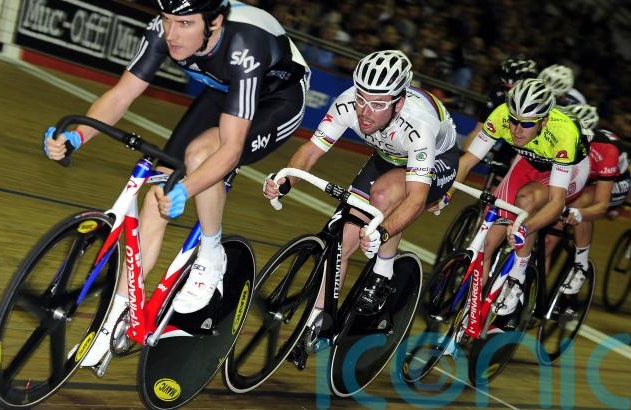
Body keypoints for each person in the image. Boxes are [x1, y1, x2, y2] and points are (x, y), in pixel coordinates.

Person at [43, 0, 309, 366]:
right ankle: (112, 323)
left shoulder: (245, 43)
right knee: (157, 196)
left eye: (185, 24)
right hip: (225, 91)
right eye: (167, 20)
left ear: (214, 21)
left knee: (202, 157)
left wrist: (188, 187)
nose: (172, 33)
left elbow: (230, 149)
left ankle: (212, 254)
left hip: (277, 100)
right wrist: (78, 136)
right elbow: (121, 95)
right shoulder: (163, 30)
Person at [263, 50, 459, 362]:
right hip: (388, 155)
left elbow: (415, 198)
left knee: (383, 195)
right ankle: (317, 325)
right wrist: (285, 180)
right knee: (342, 241)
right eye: (362, 99)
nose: (365, 112)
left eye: (378, 104)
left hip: (436, 161)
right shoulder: (347, 102)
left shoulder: (418, 123)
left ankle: (382, 273)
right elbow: (311, 151)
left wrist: (382, 233)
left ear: (398, 103)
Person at [449, 78, 590, 329]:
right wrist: (446, 193)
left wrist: (524, 228)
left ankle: (517, 277)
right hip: (528, 161)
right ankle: (468, 316)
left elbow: (556, 202)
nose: (516, 129)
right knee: (488, 240)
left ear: (543, 121)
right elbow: (467, 161)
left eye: (526, 124)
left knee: (526, 202)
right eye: (514, 120)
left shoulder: (563, 133)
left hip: (568, 171)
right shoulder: (502, 115)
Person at [547, 104, 630, 293]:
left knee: (580, 204)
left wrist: (609, 209)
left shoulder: (606, 148)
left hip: (615, 181)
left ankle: (580, 265)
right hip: (589, 177)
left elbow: (600, 200)